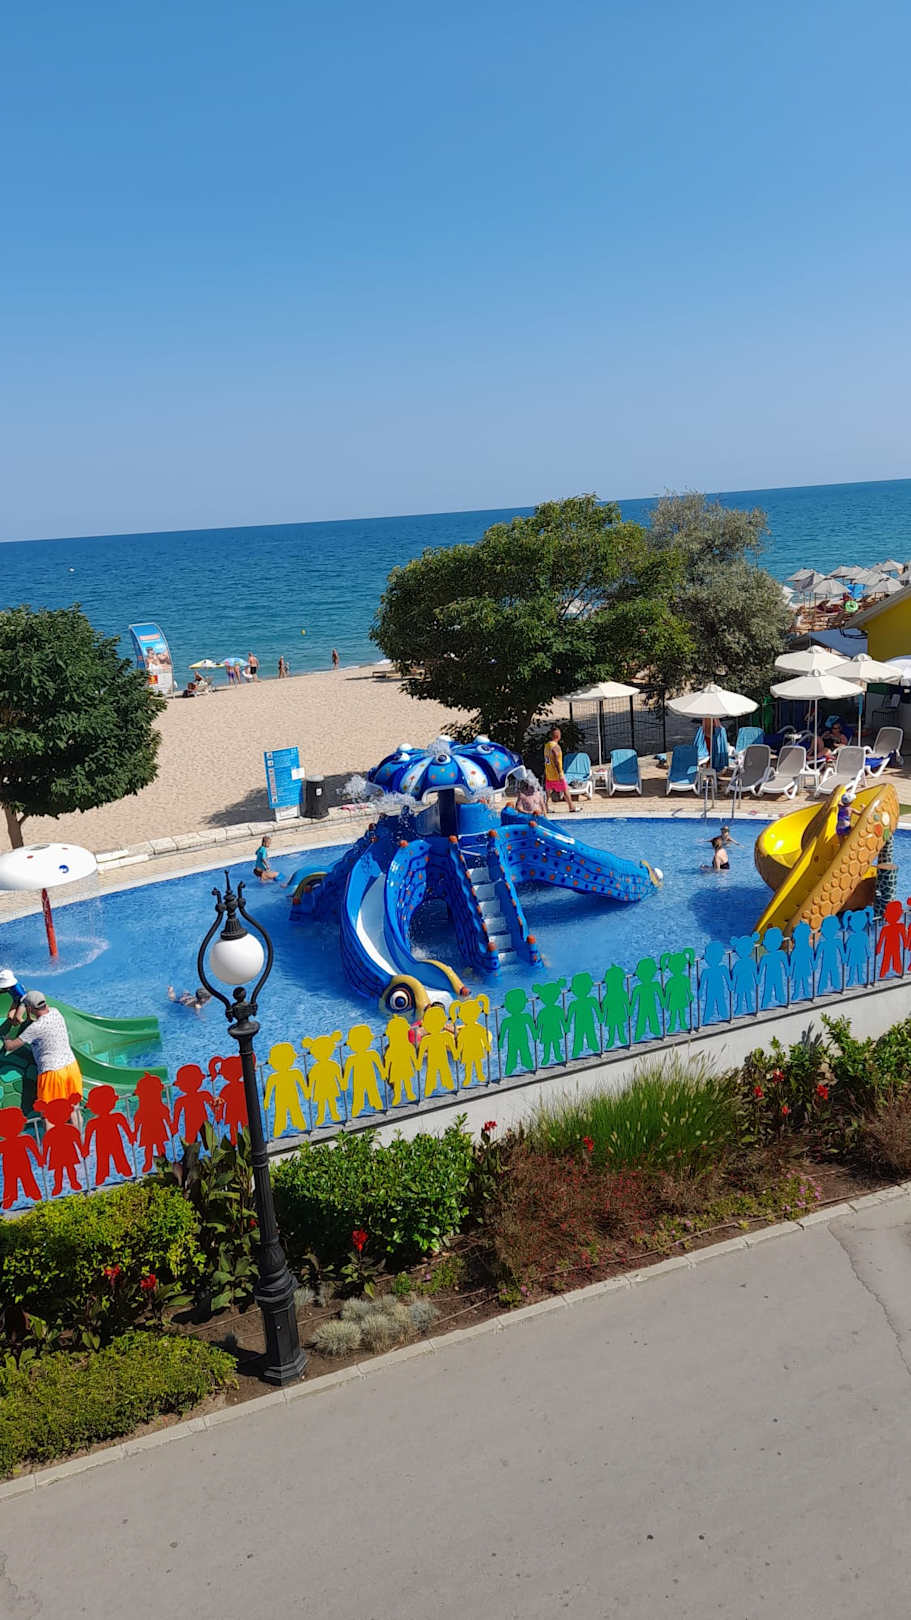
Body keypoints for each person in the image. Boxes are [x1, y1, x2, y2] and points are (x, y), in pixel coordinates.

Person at [2, 991, 83, 1124]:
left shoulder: (35, 1028)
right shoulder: (56, 1013)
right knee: (74, 1108)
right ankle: (79, 1136)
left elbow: (11, 1046)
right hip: (71, 1067)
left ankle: (50, 1138)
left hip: (52, 1072)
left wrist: (5, 1038)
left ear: (29, 1009)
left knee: (48, 1114)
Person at [543, 726, 576, 813]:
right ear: (558, 736)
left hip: (549, 773)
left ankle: (545, 807)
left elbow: (547, 760)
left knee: (547, 792)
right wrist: (560, 773)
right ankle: (571, 807)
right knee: (565, 790)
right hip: (556, 774)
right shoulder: (556, 747)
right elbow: (557, 761)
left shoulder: (547, 746)